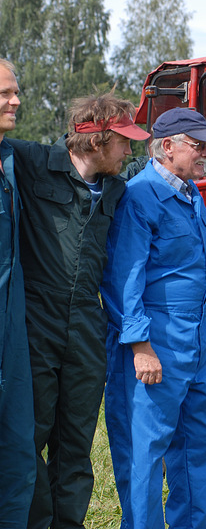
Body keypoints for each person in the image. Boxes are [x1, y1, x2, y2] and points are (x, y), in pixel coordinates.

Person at [7, 91, 150, 528]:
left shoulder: (118, 187)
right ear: (96, 140)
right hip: (36, 324)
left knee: (76, 445)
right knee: (27, 440)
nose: (130, 149)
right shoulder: (33, 162)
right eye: (123, 141)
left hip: (87, 325)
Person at [101, 108, 206, 528]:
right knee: (145, 453)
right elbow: (123, 277)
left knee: (200, 443)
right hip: (155, 338)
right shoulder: (141, 196)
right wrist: (140, 346)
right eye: (198, 145)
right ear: (167, 146)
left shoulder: (189, 194)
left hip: (195, 334)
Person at [0, 58, 36, 528]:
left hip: (13, 338)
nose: (16, 100)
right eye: (6, 92)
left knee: (18, 456)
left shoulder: (12, 160)